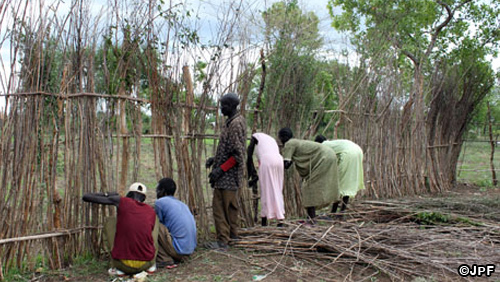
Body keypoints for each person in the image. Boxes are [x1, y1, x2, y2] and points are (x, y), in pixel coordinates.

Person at [82, 183, 158, 277]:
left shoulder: (123, 201)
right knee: (152, 225)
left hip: (122, 264)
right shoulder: (151, 211)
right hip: (146, 263)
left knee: (112, 221)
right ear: (144, 198)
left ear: (129, 194)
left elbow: (86, 197)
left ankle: (119, 270)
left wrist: (108, 194)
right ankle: (150, 268)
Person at [205, 93, 247, 249]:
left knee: (220, 207)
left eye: (223, 105)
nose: (221, 108)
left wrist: (220, 170)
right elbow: (228, 149)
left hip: (228, 175)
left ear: (230, 106)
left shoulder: (235, 124)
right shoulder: (233, 122)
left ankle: (223, 241)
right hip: (228, 173)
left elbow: (237, 155)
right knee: (230, 207)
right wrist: (214, 159)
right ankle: (233, 236)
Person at [278, 127, 339, 221]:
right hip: (329, 155)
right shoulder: (296, 142)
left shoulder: (289, 144)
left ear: (283, 137)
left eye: (280, 138)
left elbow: (286, 164)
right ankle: (311, 216)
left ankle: (311, 219)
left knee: (308, 187)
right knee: (311, 185)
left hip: (324, 157)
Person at [315, 135, 365, 213]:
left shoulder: (323, 145)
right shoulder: (333, 144)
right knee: (347, 184)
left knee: (338, 185)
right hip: (358, 151)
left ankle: (334, 212)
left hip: (349, 154)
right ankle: (341, 211)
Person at [154, 177, 197, 269]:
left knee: (153, 225)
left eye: (158, 190)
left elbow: (159, 225)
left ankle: (164, 259)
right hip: (189, 250)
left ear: (163, 191)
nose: (157, 193)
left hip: (178, 250)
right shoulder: (182, 204)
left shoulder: (160, 203)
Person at [247, 132, 285, 227]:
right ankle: (280, 221)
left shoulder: (255, 137)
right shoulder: (270, 140)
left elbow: (249, 157)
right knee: (277, 189)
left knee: (266, 190)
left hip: (268, 160)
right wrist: (255, 178)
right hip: (279, 161)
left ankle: (264, 222)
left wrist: (248, 176)